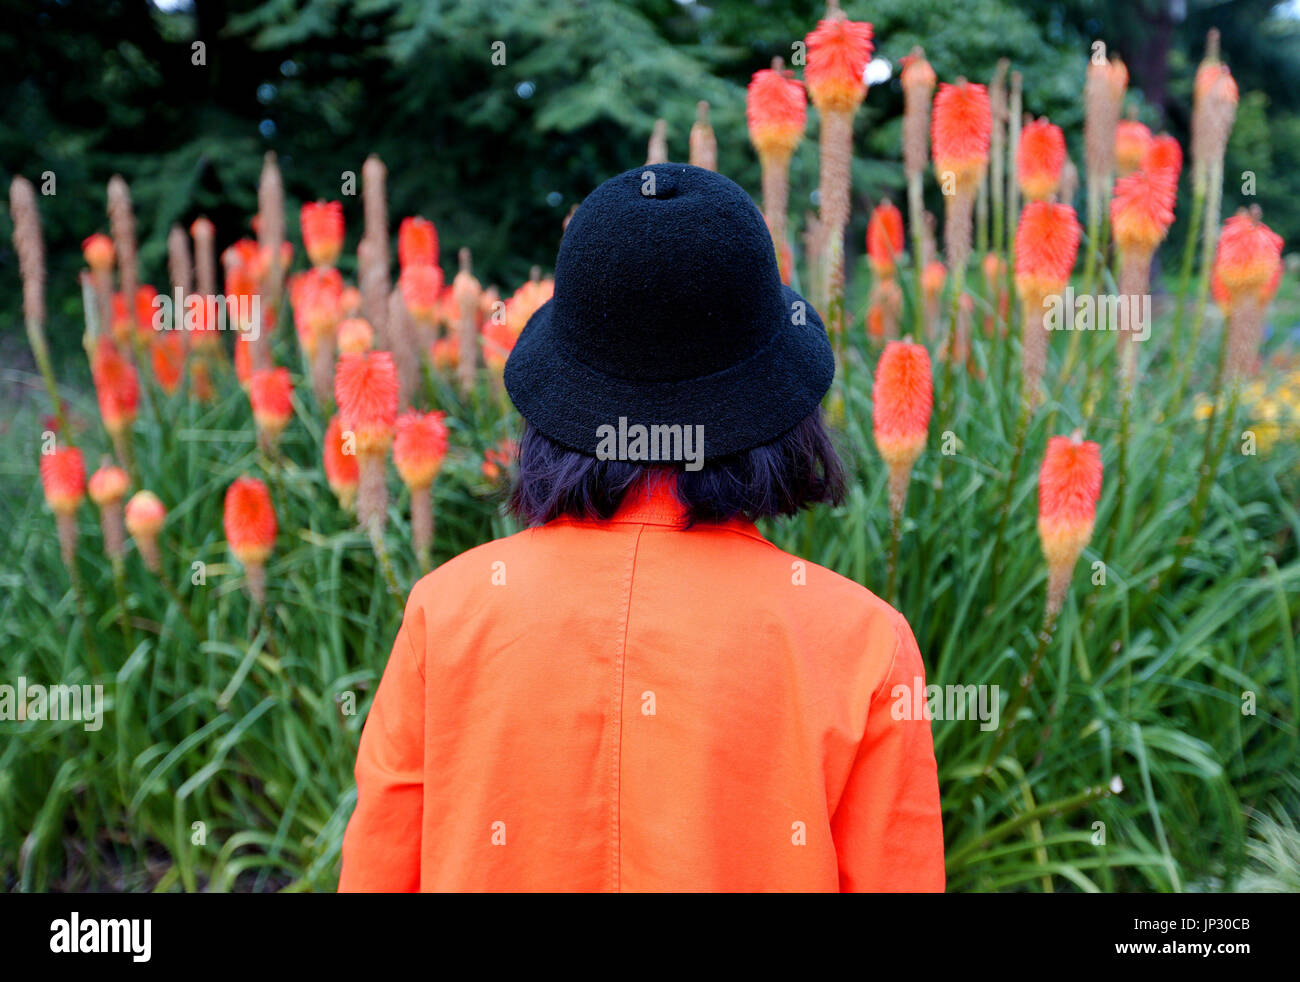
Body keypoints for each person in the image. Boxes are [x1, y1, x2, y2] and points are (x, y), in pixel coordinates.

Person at [338, 164, 944, 892]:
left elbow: (377, 872)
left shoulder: (447, 613)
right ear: (779, 409)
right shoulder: (863, 646)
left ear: (557, 401)